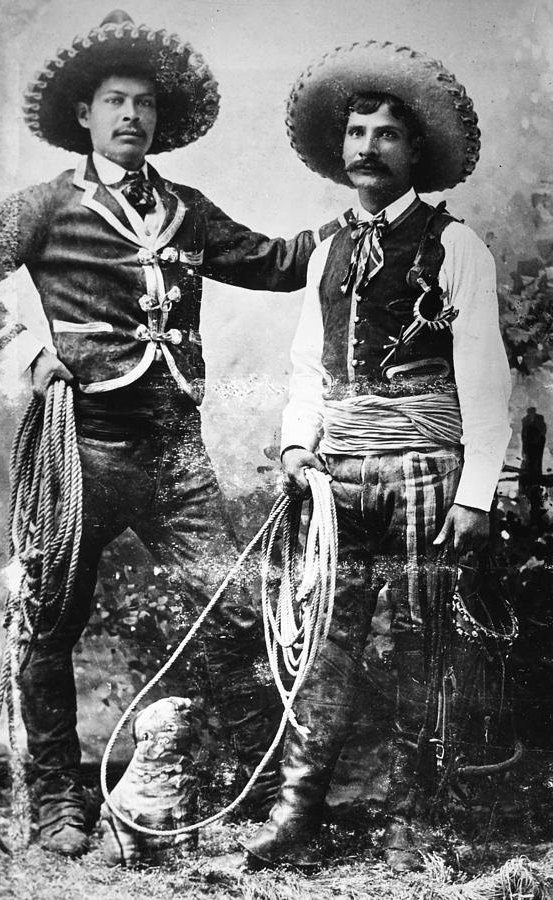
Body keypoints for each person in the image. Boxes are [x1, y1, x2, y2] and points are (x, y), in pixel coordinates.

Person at [0, 10, 338, 857]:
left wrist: (353, 226)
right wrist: (24, 351)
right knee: (49, 626)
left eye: (145, 105)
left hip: (175, 452)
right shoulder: (45, 206)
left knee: (231, 615)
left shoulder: (186, 210)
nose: (131, 117)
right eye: (116, 101)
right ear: (85, 114)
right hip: (79, 448)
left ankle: (249, 794)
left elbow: (275, 261)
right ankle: (57, 804)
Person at [241, 40, 512, 872]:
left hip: (425, 471)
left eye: (386, 135)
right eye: (356, 133)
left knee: (421, 645)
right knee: (323, 639)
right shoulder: (327, 251)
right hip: (340, 477)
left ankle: (412, 818)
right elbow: (306, 369)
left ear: (414, 151)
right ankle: (296, 814)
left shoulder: (455, 245)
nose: (366, 147)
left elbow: (485, 377)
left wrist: (477, 493)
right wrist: (297, 446)